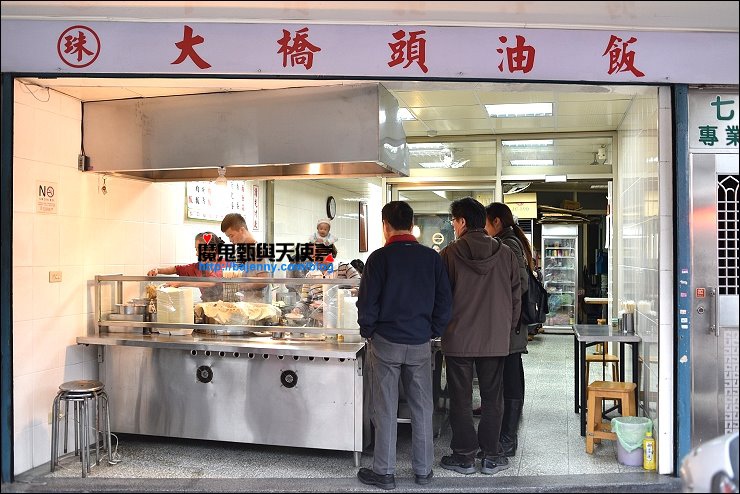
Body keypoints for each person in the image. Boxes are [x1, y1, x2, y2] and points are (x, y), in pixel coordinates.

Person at [356, 201, 452, 490]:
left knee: (384, 407)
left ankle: (384, 473)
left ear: (385, 225)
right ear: (411, 225)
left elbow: (367, 303)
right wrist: (431, 330)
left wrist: (368, 331)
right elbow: (445, 302)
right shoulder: (431, 258)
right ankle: (423, 471)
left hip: (385, 342)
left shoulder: (379, 259)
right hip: (420, 342)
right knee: (423, 407)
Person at [438, 197, 521, 476]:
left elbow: (441, 298)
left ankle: (464, 457)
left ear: (461, 222)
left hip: (458, 339)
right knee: (492, 398)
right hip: (495, 340)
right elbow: (515, 298)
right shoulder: (506, 253)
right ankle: (491, 456)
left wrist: (442, 328)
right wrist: (505, 331)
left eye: (453, 221)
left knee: (460, 399)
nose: (453, 225)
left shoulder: (449, 254)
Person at [480, 202, 534, 457]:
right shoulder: (512, 241)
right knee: (512, 376)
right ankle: (507, 431)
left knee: (511, 379)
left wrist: (502, 307)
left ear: (497, 222)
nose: (485, 229)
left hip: (511, 323)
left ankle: (508, 438)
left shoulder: (508, 245)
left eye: (487, 223)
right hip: (511, 323)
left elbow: (520, 283)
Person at [147, 232, 224, 302]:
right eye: (196, 249)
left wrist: (181, 283)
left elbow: (211, 282)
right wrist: (158, 270)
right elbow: (177, 269)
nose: (197, 254)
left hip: (226, 308)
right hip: (207, 306)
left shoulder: (224, 264)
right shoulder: (198, 267)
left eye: (199, 250)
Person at [292, 244, 360, 323]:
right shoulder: (310, 275)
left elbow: (362, 289)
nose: (317, 260)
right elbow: (304, 301)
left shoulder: (344, 267)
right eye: (314, 257)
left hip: (343, 322)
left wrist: (341, 293)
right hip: (319, 324)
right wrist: (297, 310)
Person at [220, 213, 269, 302]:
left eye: (231, 235)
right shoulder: (239, 251)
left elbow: (263, 281)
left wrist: (238, 285)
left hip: (258, 308)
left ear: (242, 230)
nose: (230, 240)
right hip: (244, 304)